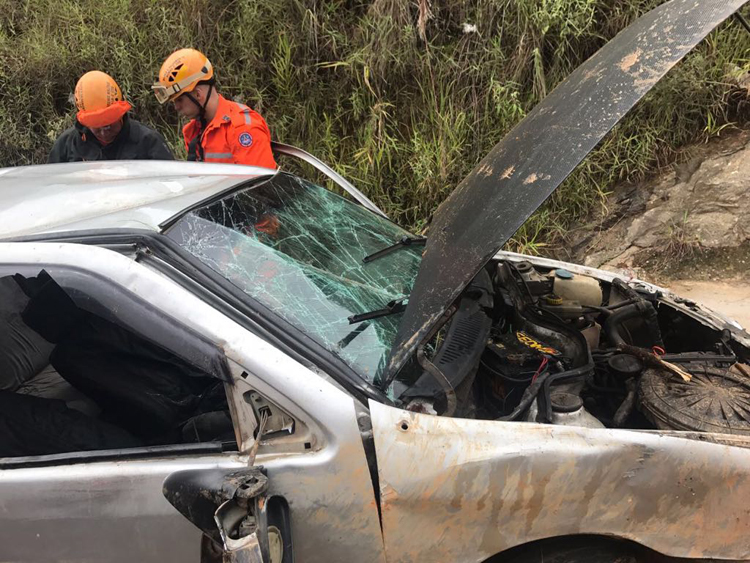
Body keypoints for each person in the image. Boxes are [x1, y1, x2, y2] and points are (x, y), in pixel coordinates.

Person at [152, 48, 276, 169]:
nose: (176, 107)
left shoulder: (241, 128)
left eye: (179, 100)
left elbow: (261, 185)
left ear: (197, 94)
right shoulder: (194, 131)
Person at [49, 71, 173, 163]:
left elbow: (171, 185)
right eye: (96, 127)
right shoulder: (67, 145)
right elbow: (52, 187)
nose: (103, 133)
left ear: (120, 115)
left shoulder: (148, 142)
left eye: (109, 125)